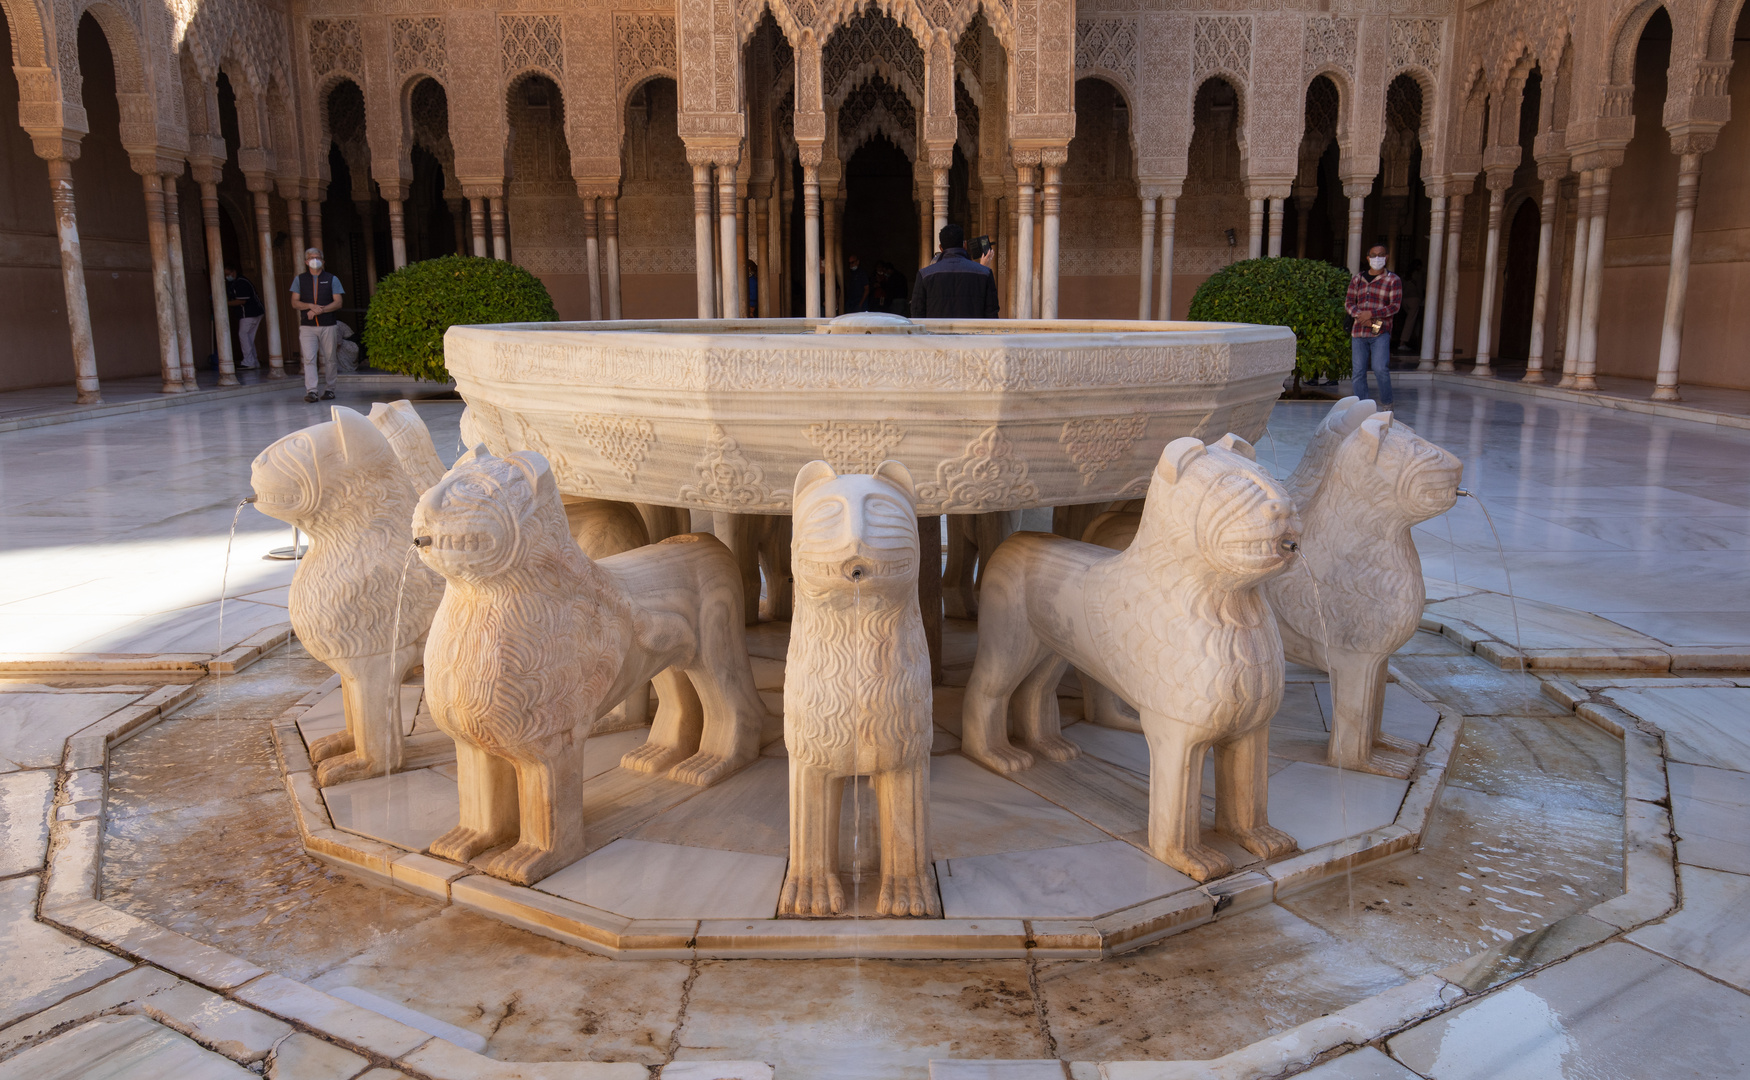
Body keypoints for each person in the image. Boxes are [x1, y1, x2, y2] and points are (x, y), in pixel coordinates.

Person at [1345, 244, 1401, 407]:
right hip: (1359, 332)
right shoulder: (1358, 279)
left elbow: (1395, 305)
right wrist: (1360, 315)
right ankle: (1362, 406)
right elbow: (1349, 302)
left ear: (1387, 257)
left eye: (1381, 255)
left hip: (1380, 332)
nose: (1377, 258)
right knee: (1358, 372)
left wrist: (1372, 314)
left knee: (1380, 368)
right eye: (1374, 255)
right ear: (1368, 258)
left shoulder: (1392, 280)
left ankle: (1386, 403)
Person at [289, 247, 345, 403]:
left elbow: (338, 302)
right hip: (307, 326)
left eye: (318, 257)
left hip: (328, 325)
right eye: (312, 257)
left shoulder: (332, 278)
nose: (315, 260)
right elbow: (294, 302)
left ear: (323, 261)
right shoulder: (300, 279)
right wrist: (310, 306)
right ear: (306, 261)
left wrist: (320, 310)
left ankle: (330, 389)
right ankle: (312, 391)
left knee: (330, 358)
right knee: (309, 359)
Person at [910, 224, 999, 319]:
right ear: (964, 245)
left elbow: (917, 314)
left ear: (940, 248)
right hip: (973, 333)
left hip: (936, 333)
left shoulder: (924, 275)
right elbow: (992, 314)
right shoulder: (985, 273)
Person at [225, 265, 264, 370]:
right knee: (249, 337)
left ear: (234, 271)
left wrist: (225, 304)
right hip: (254, 313)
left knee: (243, 335)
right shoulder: (235, 282)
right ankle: (253, 361)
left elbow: (242, 300)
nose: (227, 276)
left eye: (228, 274)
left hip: (250, 313)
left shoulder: (241, 282)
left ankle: (248, 362)